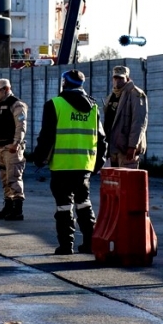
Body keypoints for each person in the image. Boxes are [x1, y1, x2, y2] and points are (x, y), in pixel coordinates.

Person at [33, 69, 107, 255]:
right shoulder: (93, 107)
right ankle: (90, 244)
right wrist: (98, 164)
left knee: (64, 206)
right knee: (84, 203)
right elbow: (101, 139)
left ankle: (66, 246)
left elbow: (46, 136)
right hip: (84, 166)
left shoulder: (54, 104)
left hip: (61, 165)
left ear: (64, 83)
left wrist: (39, 158)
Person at [0, 78, 29, 221]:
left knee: (14, 178)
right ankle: (8, 207)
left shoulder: (17, 105)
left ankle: (18, 210)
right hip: (0, 147)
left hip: (11, 148)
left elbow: (21, 126)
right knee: (5, 180)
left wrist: (16, 143)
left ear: (6, 89)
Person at [102, 65, 149, 169]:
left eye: (121, 78)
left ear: (127, 78)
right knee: (113, 182)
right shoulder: (111, 96)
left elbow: (139, 123)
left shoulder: (136, 94)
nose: (117, 81)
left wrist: (132, 146)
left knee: (127, 181)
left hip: (126, 149)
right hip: (112, 148)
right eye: (115, 78)